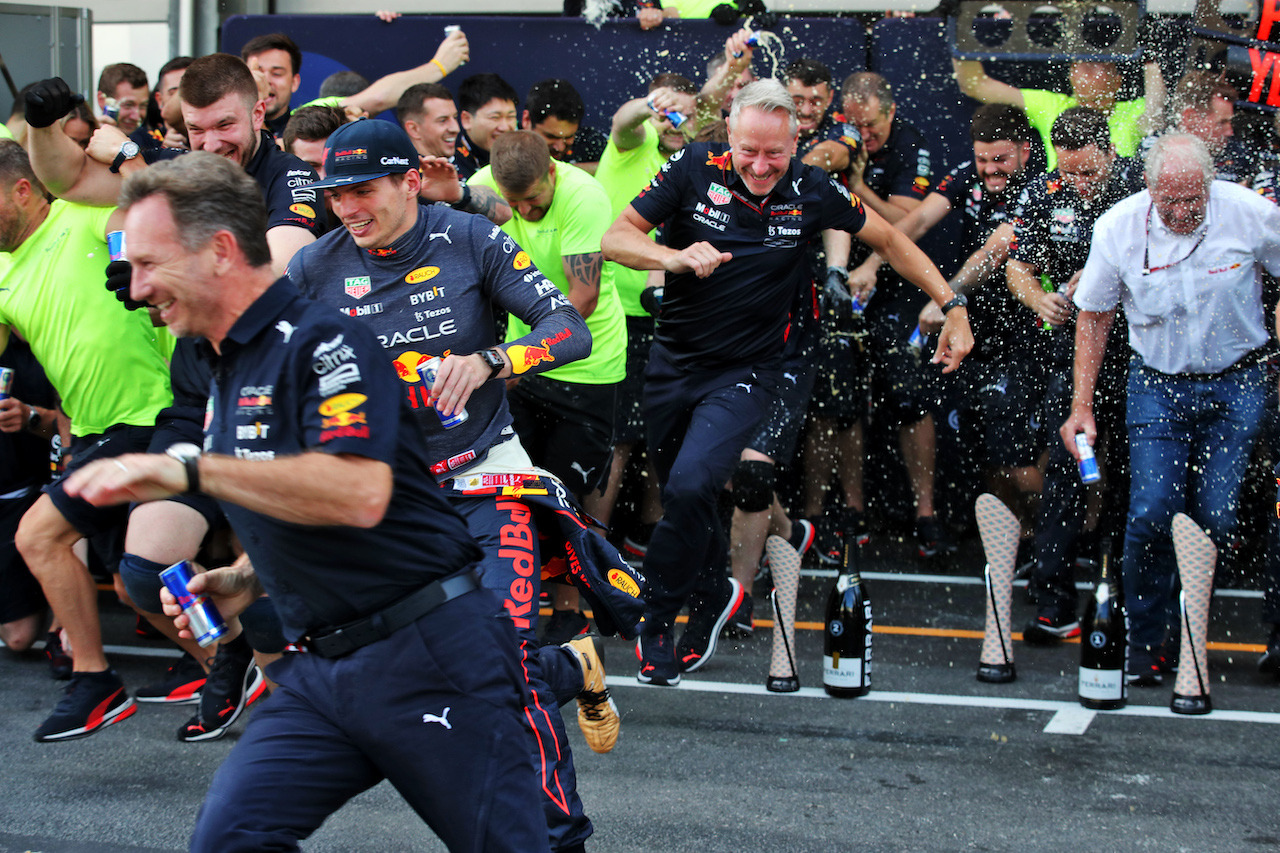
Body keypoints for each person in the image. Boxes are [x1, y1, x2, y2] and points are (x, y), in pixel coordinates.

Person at [62, 150, 549, 851]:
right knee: (229, 842)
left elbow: (356, 490)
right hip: (319, 671)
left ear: (221, 250)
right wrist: (244, 577)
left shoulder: (325, 340)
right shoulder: (226, 361)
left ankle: (554, 668)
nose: (134, 288)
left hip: (429, 652)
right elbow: (298, 494)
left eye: (148, 263)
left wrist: (192, 472)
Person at [285, 118, 615, 850]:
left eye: (363, 191)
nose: (349, 210)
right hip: (392, 505)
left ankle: (561, 838)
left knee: (508, 664)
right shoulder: (315, 267)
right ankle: (574, 667)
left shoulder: (469, 237)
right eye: (337, 196)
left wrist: (495, 359)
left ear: (409, 179)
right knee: (423, 684)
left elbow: (570, 327)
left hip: (487, 479)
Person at [601, 78, 973, 684]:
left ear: (797, 140)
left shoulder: (812, 188)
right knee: (683, 500)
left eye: (775, 152)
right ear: (730, 134)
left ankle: (656, 620)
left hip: (748, 370)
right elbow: (615, 238)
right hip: (673, 364)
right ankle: (711, 600)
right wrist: (670, 258)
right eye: (749, 150)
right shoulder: (694, 167)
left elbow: (892, 239)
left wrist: (951, 303)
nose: (761, 164)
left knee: (697, 485)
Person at [1064, 133, 1280, 695]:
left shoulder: (1251, 214)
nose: (1183, 212)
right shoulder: (1118, 226)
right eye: (1172, 201)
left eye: (1194, 200)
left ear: (1210, 186)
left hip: (1238, 382)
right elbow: (1094, 316)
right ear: (1150, 188)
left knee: (1216, 517)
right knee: (1152, 513)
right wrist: (1081, 406)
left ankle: (1193, 642)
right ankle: (1145, 642)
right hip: (1157, 385)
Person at [0, 139, 175, 741]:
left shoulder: (84, 214)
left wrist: (126, 158)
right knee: (141, 583)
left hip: (155, 411)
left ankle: (95, 678)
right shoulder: (1, 272)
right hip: (92, 432)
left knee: (40, 535)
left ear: (21, 189)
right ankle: (226, 657)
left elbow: (151, 208)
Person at [471, 130, 628, 643]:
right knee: (515, 491)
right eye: (513, 204)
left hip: (588, 366)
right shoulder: (482, 185)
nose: (525, 211)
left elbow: (578, 301)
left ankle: (570, 609)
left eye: (533, 200)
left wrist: (516, 365)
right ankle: (520, 614)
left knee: (565, 494)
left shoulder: (583, 196)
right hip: (526, 365)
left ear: (553, 173)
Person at [1006, 107, 1143, 644]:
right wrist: (1039, 297)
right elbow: (1017, 263)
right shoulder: (1045, 190)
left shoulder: (1140, 185)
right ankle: (1053, 603)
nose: (1081, 186)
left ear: (1111, 153)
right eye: (1072, 174)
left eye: (1090, 173)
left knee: (1132, 482)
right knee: (1065, 473)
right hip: (1073, 358)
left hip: (1140, 354)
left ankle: (1122, 600)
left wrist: (1108, 269)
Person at [26, 56, 323, 278]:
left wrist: (167, 278)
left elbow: (274, 271)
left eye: (224, 125)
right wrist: (41, 124)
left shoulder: (291, 175)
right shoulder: (176, 165)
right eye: (196, 129)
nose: (211, 144)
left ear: (257, 114)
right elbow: (69, 181)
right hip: (193, 359)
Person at [836, 71, 948, 557]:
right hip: (844, 281)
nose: (864, 135)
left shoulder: (910, 143)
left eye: (872, 126)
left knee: (909, 397)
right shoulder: (837, 136)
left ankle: (926, 510)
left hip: (898, 281)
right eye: (855, 125)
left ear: (890, 110)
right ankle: (851, 509)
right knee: (843, 401)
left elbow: (906, 221)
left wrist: (859, 186)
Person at [953, 56, 1165, 169]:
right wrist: (959, 32)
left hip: (1112, 200)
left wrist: (1150, 60)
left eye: (1097, 63)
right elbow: (975, 85)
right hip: (1061, 205)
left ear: (1117, 81)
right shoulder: (1051, 106)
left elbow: (1156, 115)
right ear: (1070, 75)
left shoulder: (1134, 109)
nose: (1085, 68)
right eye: (1079, 63)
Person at [394, 83, 513, 222]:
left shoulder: (466, 158)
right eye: (443, 120)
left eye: (454, 118)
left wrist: (459, 194)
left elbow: (505, 215)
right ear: (414, 129)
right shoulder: (400, 178)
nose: (455, 128)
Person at [1140, 70, 1257, 184]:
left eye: (1229, 122)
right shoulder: (1155, 149)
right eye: (1221, 123)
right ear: (1190, 118)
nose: (1229, 132)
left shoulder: (1238, 154)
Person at [524, 79, 609, 175]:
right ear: (526, 120)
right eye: (551, 136)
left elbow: (617, 168)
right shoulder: (509, 143)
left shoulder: (590, 141)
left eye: (569, 137)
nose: (560, 147)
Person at [454, 73, 520, 180]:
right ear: (466, 119)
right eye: (495, 117)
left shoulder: (524, 154)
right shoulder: (449, 164)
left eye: (510, 116)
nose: (505, 127)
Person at [95, 63, 149, 137]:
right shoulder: (83, 141)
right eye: (128, 105)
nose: (136, 116)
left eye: (143, 106)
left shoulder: (153, 142)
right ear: (102, 100)